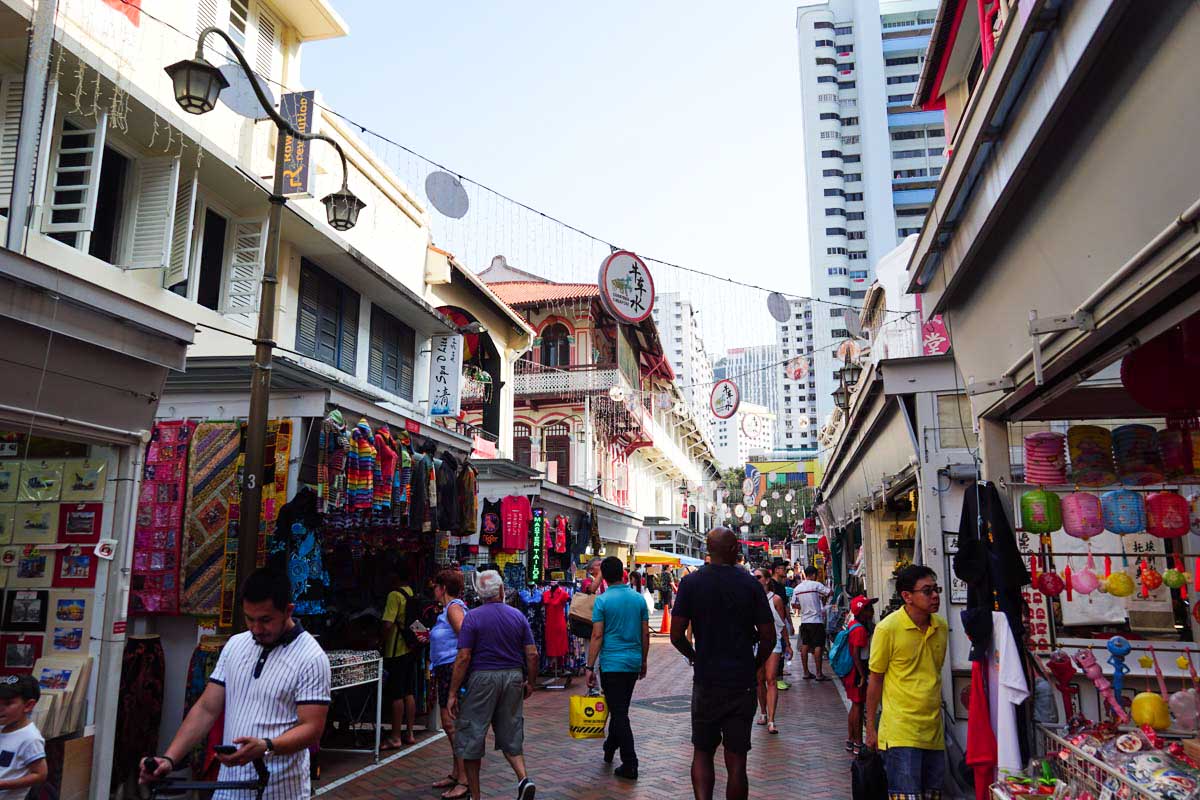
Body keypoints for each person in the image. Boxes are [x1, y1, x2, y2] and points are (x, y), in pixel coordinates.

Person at [141, 568, 331, 799]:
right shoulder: (235, 645)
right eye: (249, 618)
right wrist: (169, 759)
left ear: (288, 611)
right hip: (228, 788)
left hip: (279, 790)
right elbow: (206, 708)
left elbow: (312, 728)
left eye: (265, 620)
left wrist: (267, 745)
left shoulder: (311, 657)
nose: (256, 628)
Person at [671, 528, 775, 800]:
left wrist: (694, 656)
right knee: (737, 759)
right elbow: (768, 636)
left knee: (703, 751)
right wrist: (755, 664)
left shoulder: (691, 583)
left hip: (707, 680)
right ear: (732, 550)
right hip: (741, 681)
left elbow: (675, 634)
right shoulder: (750, 584)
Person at [446, 570, 538, 800]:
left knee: (471, 736)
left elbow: (464, 657)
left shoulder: (473, 617)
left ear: (479, 593)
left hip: (482, 678)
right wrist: (531, 682)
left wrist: (452, 692)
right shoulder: (517, 616)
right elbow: (532, 654)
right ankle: (523, 778)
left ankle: (476, 796)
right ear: (501, 590)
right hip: (513, 677)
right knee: (511, 732)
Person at [865, 565, 948, 799]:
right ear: (906, 596)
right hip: (901, 731)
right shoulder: (887, 629)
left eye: (936, 589)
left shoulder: (940, 627)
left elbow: (935, 670)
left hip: (933, 731)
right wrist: (871, 728)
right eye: (927, 591)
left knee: (933, 794)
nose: (934, 596)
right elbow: (876, 681)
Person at [586, 557, 650, 780]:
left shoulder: (602, 601)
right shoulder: (638, 599)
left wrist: (589, 666)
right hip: (632, 661)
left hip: (612, 663)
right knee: (619, 707)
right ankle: (610, 745)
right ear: (623, 573)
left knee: (619, 711)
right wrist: (643, 660)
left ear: (603, 574)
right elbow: (645, 633)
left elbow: (597, 635)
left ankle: (630, 762)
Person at [429, 569, 470, 800]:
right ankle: (457, 773)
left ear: (442, 587)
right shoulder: (449, 609)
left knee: (451, 723)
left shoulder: (454, 608)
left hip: (451, 669)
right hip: (446, 668)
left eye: (435, 586)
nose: (433, 590)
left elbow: (465, 637)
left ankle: (464, 779)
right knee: (449, 724)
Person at [381, 563, 421, 749]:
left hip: (396, 649)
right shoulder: (411, 593)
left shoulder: (394, 595)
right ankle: (410, 733)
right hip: (411, 649)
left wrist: (379, 641)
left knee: (396, 694)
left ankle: (395, 736)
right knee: (409, 692)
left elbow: (388, 624)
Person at [754, 569, 792, 734]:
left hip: (773, 641)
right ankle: (763, 712)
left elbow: (781, 623)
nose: (756, 580)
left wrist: (787, 643)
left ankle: (771, 719)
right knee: (759, 679)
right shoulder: (751, 598)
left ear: (767, 580)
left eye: (759, 577)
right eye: (754, 577)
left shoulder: (775, 599)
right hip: (756, 643)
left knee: (771, 679)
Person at [0, 675, 46, 799]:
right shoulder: (2, 726)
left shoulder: (30, 738)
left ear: (28, 706)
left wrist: (4, 784)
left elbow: (40, 774)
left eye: (7, 703)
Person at [843, 595, 875, 754]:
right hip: (857, 672)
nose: (872, 611)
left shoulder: (854, 624)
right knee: (858, 705)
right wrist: (862, 675)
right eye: (869, 608)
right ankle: (857, 742)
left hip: (852, 671)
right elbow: (856, 653)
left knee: (855, 705)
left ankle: (851, 740)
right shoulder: (860, 629)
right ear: (862, 612)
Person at [791, 565, 832, 680]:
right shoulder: (816, 585)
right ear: (814, 575)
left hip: (804, 621)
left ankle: (806, 672)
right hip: (816, 621)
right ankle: (819, 674)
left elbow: (793, 604)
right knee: (818, 645)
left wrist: (804, 607)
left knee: (805, 645)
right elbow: (830, 593)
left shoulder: (798, 588)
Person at [769, 559, 795, 690]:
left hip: (779, 622)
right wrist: (787, 623)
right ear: (776, 570)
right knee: (779, 650)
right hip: (776, 623)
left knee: (782, 649)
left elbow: (785, 607)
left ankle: (779, 677)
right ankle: (777, 679)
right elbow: (782, 607)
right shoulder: (774, 586)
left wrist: (789, 622)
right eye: (782, 568)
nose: (785, 571)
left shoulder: (779, 585)